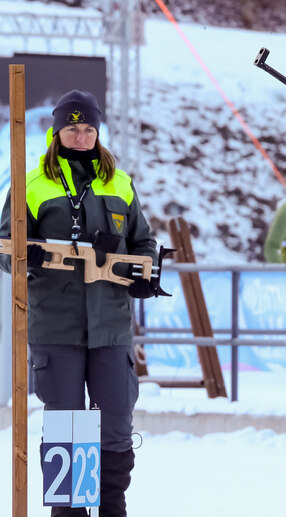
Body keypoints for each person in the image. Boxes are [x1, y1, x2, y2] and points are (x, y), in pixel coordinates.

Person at [0, 90, 158, 516]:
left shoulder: (120, 183)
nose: (81, 136)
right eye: (72, 129)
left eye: (89, 128)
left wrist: (145, 275)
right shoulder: (31, 184)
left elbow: (143, 243)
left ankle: (111, 508)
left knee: (115, 429)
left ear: (98, 132)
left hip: (111, 329)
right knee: (67, 431)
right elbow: (3, 247)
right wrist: (25, 256)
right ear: (57, 133)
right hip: (56, 327)